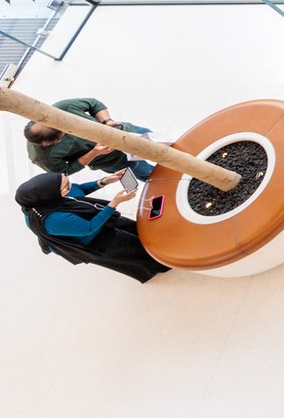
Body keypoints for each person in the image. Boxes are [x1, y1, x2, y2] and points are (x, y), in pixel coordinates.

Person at [14, 171, 169, 282]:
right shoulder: (53, 220)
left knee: (138, 233)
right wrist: (115, 203)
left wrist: (104, 181)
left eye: (67, 180)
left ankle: (164, 251)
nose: (70, 186)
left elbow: (78, 190)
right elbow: (89, 227)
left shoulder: (46, 199)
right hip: (99, 241)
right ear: (50, 195)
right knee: (135, 251)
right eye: (65, 186)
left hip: (102, 224)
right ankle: (163, 263)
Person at [24, 98, 154, 182]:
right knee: (152, 176)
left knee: (167, 147)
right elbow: (66, 170)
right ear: (46, 144)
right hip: (113, 161)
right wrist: (94, 152)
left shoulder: (60, 109)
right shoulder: (42, 157)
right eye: (60, 138)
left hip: (127, 132)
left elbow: (94, 104)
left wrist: (107, 121)